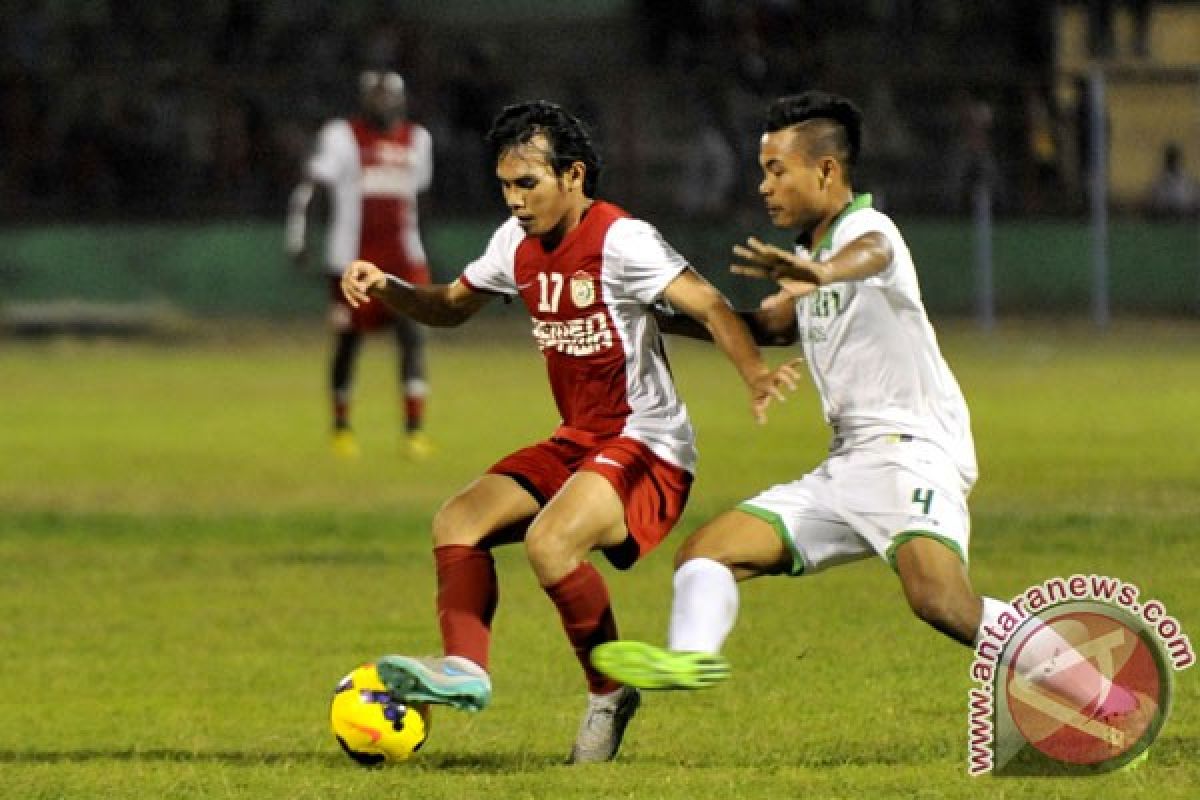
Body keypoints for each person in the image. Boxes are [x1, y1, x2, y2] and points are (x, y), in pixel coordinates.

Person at [592, 90, 1154, 757]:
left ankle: (1108, 699)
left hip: (913, 450)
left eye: (777, 169)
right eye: (763, 170)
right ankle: (690, 657)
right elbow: (769, 325)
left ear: (826, 172)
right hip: (849, 464)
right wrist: (658, 316)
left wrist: (820, 270)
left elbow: (870, 260)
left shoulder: (866, 232)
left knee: (942, 602)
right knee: (706, 552)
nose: (763, 185)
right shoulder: (813, 256)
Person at [339, 100, 800, 764]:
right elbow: (447, 308)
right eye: (505, 186)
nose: (515, 201)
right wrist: (387, 286)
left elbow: (706, 302)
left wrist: (754, 372)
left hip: (649, 444)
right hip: (579, 437)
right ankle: (466, 667)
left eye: (527, 184)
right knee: (457, 521)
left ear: (574, 175)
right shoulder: (514, 245)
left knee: (551, 543)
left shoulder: (623, 240)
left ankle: (608, 694)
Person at [286, 69, 435, 460]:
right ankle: (341, 426)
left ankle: (414, 430)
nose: (383, 103)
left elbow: (418, 198)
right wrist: (299, 237)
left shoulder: (419, 140)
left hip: (404, 260)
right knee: (349, 342)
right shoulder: (341, 136)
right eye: (376, 96)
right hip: (352, 262)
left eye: (389, 96)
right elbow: (311, 187)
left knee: (413, 336)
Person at [1144, 142, 1200, 219]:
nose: (1172, 161)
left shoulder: (1186, 180)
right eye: (1170, 158)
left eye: (1173, 158)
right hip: (1165, 217)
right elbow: (1153, 203)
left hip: (1185, 215)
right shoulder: (1160, 181)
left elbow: (1194, 201)